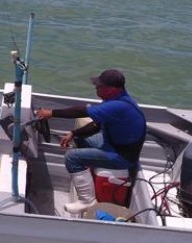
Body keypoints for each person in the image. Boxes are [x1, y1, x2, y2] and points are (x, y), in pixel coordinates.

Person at [35, 69, 147, 214]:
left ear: (111, 89)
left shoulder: (117, 106)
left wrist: (51, 113)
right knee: (81, 139)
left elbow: (81, 111)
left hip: (121, 156)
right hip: (111, 143)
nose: (96, 88)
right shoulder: (118, 100)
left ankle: (87, 201)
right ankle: (86, 174)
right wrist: (73, 133)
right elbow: (97, 124)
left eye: (99, 86)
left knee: (72, 157)